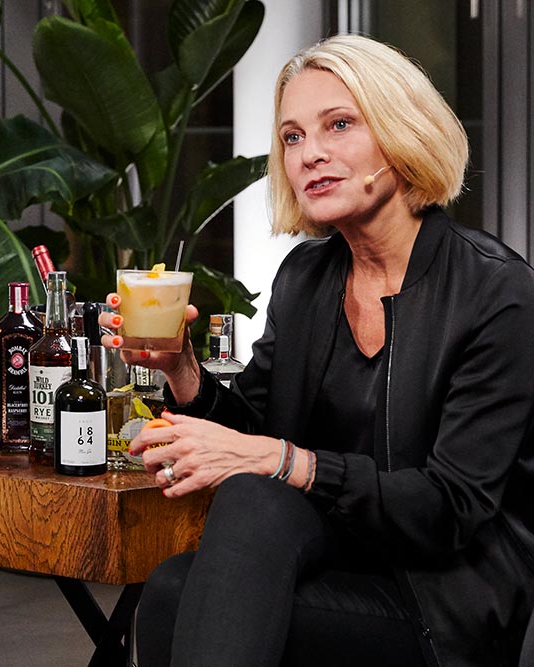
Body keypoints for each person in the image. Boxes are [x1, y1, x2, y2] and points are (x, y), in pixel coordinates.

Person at [101, 34, 534, 665]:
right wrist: (181, 366)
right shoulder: (306, 277)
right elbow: (256, 430)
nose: (310, 154)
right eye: (293, 136)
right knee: (176, 581)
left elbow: (449, 508)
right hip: (332, 552)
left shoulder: (495, 290)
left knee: (183, 584)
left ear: (401, 132)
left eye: (339, 124)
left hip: (443, 598)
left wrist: (287, 462)